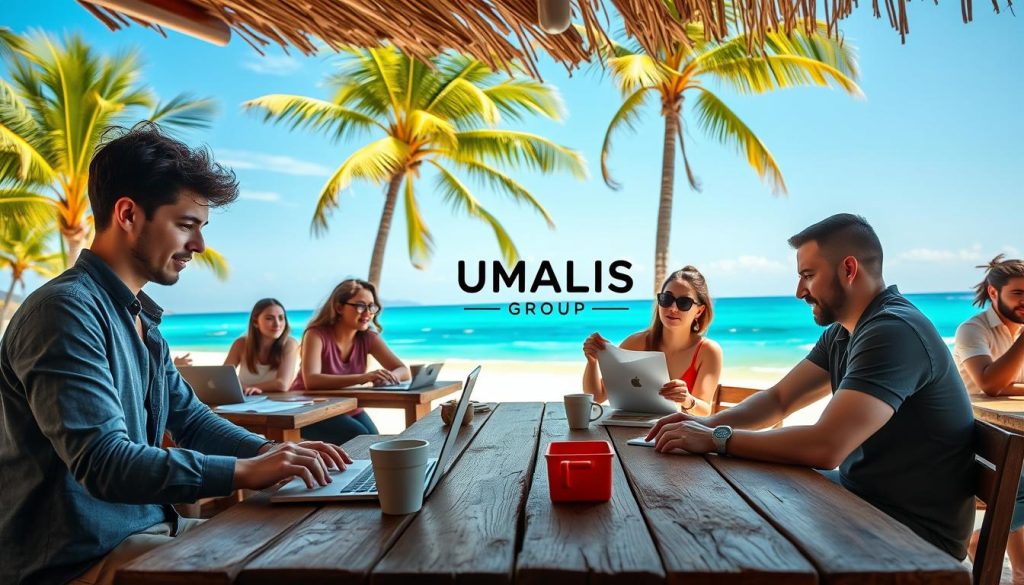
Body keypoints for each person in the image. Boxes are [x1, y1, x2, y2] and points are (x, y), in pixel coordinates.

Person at [0, 123, 351, 585]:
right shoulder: (64, 312)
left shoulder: (142, 321)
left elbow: (189, 418)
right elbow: (104, 462)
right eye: (186, 225)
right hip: (76, 560)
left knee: (320, 543)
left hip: (147, 530)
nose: (200, 246)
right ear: (128, 214)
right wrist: (246, 471)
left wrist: (273, 451)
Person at [646, 213, 974, 560]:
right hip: (856, 499)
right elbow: (778, 399)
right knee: (718, 516)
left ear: (849, 270)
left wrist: (718, 439)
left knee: (732, 543)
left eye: (808, 276)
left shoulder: (893, 330)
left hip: (911, 534)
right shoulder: (843, 332)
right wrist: (701, 425)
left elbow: (826, 447)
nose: (799, 291)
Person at [954, 255, 1024, 581]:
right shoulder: (972, 330)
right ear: (994, 294)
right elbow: (990, 383)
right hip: (975, 440)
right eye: (1019, 293)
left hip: (1012, 438)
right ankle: (985, 541)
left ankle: (986, 542)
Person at [582, 266, 723, 415]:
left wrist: (687, 400)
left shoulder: (708, 351)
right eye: (667, 299)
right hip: (630, 431)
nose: (673, 308)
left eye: (684, 303)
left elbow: (705, 411)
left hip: (680, 434)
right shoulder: (636, 343)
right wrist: (592, 362)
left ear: (699, 311)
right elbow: (597, 397)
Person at [291, 278, 410, 442]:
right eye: (360, 305)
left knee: (375, 440)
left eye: (371, 306)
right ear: (339, 307)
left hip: (345, 405)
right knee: (359, 436)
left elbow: (403, 370)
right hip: (307, 408)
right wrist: (363, 377)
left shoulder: (368, 337)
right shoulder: (316, 334)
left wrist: (388, 377)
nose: (368, 313)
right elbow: (312, 380)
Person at [223, 298, 300, 394]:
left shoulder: (289, 344)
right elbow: (223, 378)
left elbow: (282, 384)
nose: (277, 324)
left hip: (276, 402)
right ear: (255, 322)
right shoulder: (240, 344)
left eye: (281, 318)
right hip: (244, 401)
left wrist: (247, 388)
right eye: (269, 318)